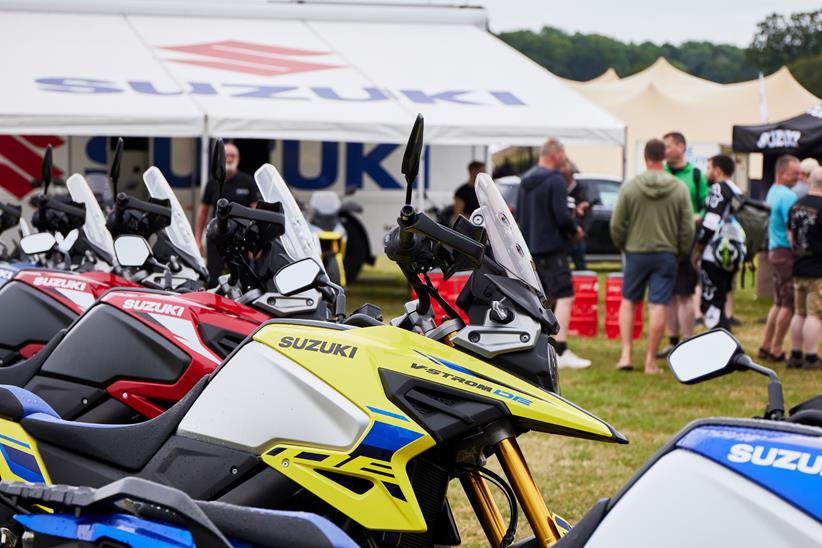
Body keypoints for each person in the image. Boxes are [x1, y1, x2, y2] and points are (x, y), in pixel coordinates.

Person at [610, 139, 694, 374]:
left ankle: (625, 355)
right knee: (658, 305)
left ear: (646, 157)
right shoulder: (678, 188)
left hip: (636, 251)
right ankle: (649, 362)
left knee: (629, 301)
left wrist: (624, 245)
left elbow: (616, 224)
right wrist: (680, 251)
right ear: (663, 158)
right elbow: (687, 227)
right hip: (666, 253)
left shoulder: (631, 186)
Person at [517, 139, 591, 369]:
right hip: (554, 248)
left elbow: (519, 215)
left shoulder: (525, 181)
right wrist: (575, 230)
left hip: (530, 249)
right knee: (565, 296)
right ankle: (562, 350)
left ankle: (540, 345)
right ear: (556, 154)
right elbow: (560, 216)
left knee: (543, 299)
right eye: (564, 153)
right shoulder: (555, 179)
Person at [657, 131, 709, 357]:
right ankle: (672, 340)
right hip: (663, 241)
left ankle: (689, 343)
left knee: (685, 292)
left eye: (667, 146)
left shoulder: (696, 176)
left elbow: (708, 206)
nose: (664, 151)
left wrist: (698, 216)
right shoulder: (660, 173)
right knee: (668, 294)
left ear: (680, 147)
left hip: (687, 242)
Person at [691, 155, 746, 331]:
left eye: (708, 168)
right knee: (721, 298)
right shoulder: (736, 190)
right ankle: (725, 339)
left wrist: (698, 249)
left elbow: (710, 222)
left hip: (714, 254)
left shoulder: (717, 189)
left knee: (712, 303)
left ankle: (719, 347)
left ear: (717, 170)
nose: (707, 172)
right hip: (732, 253)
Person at [195, 143, 259, 287]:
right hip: (216, 238)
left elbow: (255, 213)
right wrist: (198, 240)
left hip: (240, 239)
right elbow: (203, 211)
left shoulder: (247, 182)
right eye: (227, 156)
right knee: (213, 279)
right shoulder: (212, 183)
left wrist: (255, 242)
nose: (229, 159)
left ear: (238, 158)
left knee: (243, 280)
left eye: (233, 156)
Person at [759, 155, 801, 362]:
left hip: (773, 249)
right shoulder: (788, 197)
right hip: (785, 251)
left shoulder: (773, 192)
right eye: (795, 173)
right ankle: (776, 349)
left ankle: (766, 345)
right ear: (782, 173)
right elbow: (791, 228)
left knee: (778, 302)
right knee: (789, 304)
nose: (798, 177)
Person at [787, 166, 822, 370]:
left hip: (798, 264)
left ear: (810, 182)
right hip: (817, 268)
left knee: (799, 313)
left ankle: (795, 353)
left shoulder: (796, 205)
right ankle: (811, 357)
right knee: (815, 315)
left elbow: (791, 233)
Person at [562, 161, 595, 271]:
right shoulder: (560, 190)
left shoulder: (582, 190)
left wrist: (583, 231)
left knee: (580, 265)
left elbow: (589, 213)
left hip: (578, 235)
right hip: (564, 235)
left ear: (571, 176)